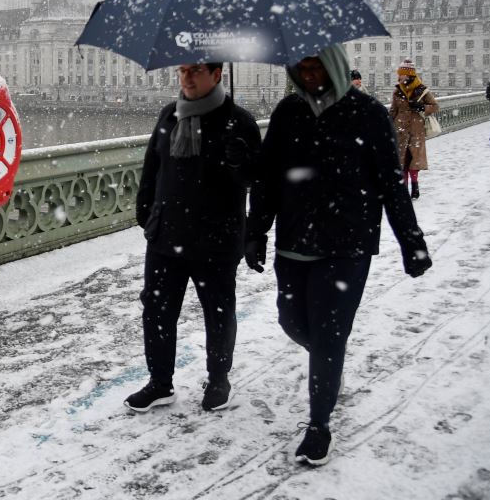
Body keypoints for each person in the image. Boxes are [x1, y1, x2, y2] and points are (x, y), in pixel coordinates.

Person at [247, 45, 432, 467]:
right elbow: (268, 177)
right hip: (294, 240)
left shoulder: (366, 113)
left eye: (317, 66)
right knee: (292, 322)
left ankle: (319, 423)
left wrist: (412, 241)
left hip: (347, 242)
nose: (310, 75)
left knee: (329, 335)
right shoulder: (287, 112)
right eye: (302, 67)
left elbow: (390, 183)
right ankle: (328, 363)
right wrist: (254, 231)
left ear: (333, 66)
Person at [126, 62, 262, 414]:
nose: (186, 77)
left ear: (217, 75)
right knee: (156, 310)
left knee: (218, 311)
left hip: (215, 238)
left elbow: (256, 179)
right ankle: (160, 382)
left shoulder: (240, 122)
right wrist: (146, 211)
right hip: (166, 235)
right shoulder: (170, 114)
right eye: (183, 70)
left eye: (196, 71)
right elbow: (152, 166)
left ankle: (218, 377)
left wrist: (239, 162)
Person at [389, 58, 438, 199]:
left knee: (414, 161)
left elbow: (435, 106)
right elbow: (393, 111)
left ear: (409, 74)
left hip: (416, 130)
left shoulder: (422, 90)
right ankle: (404, 189)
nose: (399, 77)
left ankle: (415, 186)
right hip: (400, 131)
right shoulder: (397, 91)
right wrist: (387, 125)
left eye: (401, 74)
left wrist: (422, 107)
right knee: (402, 162)